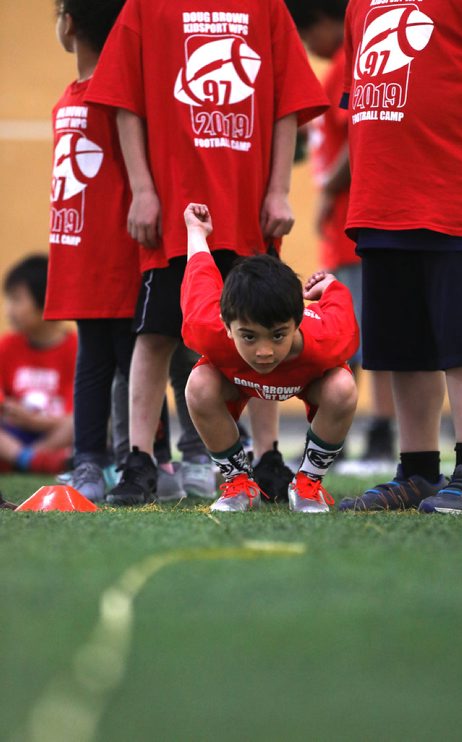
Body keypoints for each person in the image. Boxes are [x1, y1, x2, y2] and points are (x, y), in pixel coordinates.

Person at [85, 0, 330, 506]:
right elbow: (125, 102)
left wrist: (279, 188)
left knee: (263, 332)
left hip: (247, 211)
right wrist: (143, 190)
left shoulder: (267, 9)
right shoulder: (145, 9)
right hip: (175, 207)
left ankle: (267, 457)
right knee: (155, 333)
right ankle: (139, 459)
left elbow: (287, 102)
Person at [337, 0, 462, 513]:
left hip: (461, 194)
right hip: (383, 198)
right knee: (402, 345)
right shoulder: (358, 4)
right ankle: (418, 470)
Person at [45, 0, 184, 502]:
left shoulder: (121, 97)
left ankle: (150, 461)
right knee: (93, 359)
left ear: (69, 23)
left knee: (139, 358)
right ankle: (87, 461)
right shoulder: (70, 94)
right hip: (80, 253)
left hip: (124, 252)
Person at [180, 203, 358, 513]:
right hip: (233, 382)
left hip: (306, 380)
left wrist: (330, 287)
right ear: (225, 324)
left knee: (343, 387)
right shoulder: (206, 325)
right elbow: (200, 272)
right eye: (248, 336)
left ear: (299, 320)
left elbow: (340, 305)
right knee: (198, 384)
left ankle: (308, 484)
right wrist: (197, 231)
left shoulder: (328, 337)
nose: (264, 352)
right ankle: (239, 483)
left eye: (278, 335)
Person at [287, 0, 396, 466]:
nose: (308, 47)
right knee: (354, 335)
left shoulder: (348, 65)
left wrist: (330, 191)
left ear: (325, 22)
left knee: (364, 337)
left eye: (306, 34)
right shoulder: (338, 68)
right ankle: (350, 433)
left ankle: (378, 433)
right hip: (345, 231)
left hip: (355, 226)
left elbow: (360, 136)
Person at [0, 255, 76, 474]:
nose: (9, 310)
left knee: (85, 423)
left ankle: (23, 458)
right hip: (14, 434)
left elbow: (76, 417)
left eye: (16, 299)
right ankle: (33, 460)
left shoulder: (75, 348)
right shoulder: (7, 346)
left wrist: (34, 421)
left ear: (46, 300)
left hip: (56, 434)